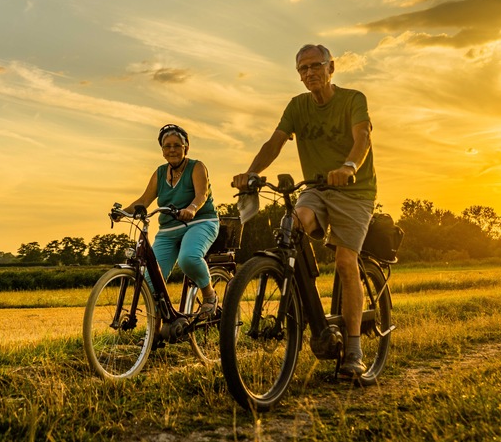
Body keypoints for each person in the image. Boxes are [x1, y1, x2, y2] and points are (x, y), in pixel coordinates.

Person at [232, 44, 377, 375]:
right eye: (302, 69)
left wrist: (350, 166)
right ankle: (309, 310)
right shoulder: (297, 106)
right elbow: (275, 142)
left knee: (344, 261)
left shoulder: (353, 99)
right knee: (293, 225)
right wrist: (252, 173)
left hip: (354, 191)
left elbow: (363, 136)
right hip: (316, 189)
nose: (309, 73)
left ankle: (353, 349)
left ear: (331, 67)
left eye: (315, 66)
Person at [123, 123, 220, 318]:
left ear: (186, 147)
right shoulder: (160, 173)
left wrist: (191, 209)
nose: (172, 150)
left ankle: (209, 295)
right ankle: (158, 329)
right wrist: (122, 212)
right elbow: (143, 201)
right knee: (150, 282)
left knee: (188, 258)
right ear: (162, 150)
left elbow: (202, 194)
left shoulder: (196, 166)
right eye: (167, 146)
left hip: (199, 223)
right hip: (168, 230)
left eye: (177, 145)